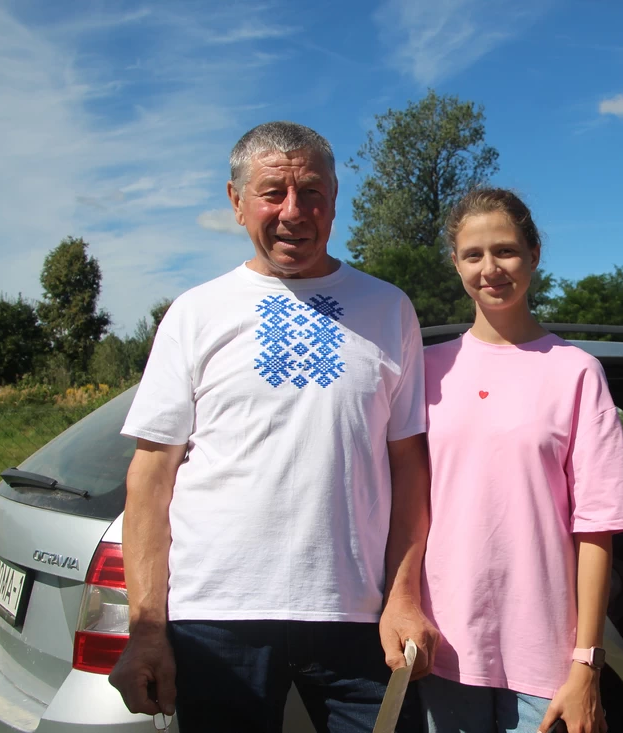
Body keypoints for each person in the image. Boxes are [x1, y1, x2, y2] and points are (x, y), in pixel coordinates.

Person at [107, 121, 438, 732]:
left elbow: (410, 469)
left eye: (311, 192)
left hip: (357, 618)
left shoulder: (389, 308)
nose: (293, 212)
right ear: (236, 202)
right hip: (215, 621)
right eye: (272, 193)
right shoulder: (195, 312)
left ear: (333, 200)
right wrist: (146, 629)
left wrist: (404, 595)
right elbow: (150, 480)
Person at [419, 189, 623, 733]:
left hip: (545, 660)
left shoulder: (576, 371)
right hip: (443, 649)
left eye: (506, 250)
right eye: (473, 254)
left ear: (534, 254)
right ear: (455, 263)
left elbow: (596, 528)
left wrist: (586, 663)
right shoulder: (426, 370)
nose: (490, 268)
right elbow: (405, 507)